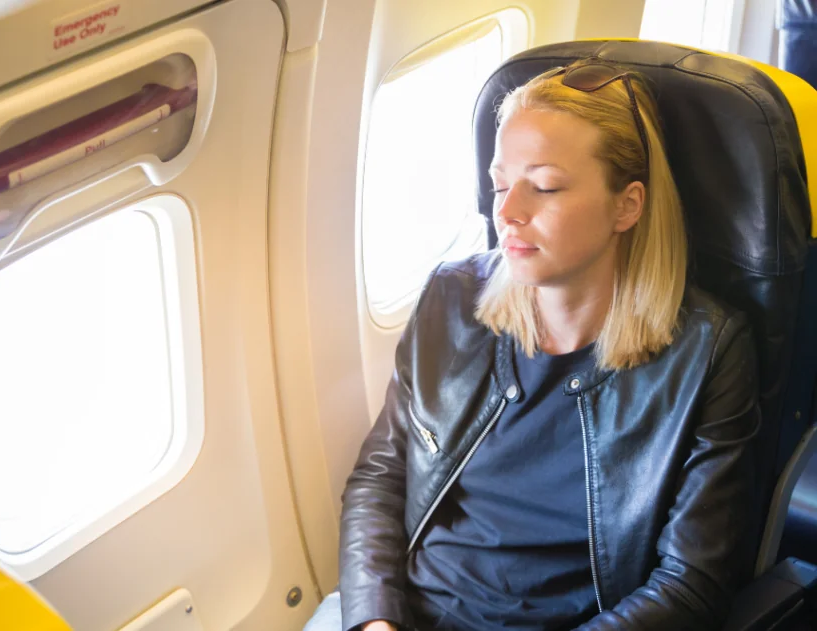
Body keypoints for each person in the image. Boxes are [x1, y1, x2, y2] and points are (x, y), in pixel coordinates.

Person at [303, 60, 760, 631]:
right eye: (499, 184)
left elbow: (691, 585)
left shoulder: (707, 353)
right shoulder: (452, 299)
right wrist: (374, 620)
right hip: (405, 615)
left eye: (544, 186)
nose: (507, 211)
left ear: (628, 205)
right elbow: (380, 479)